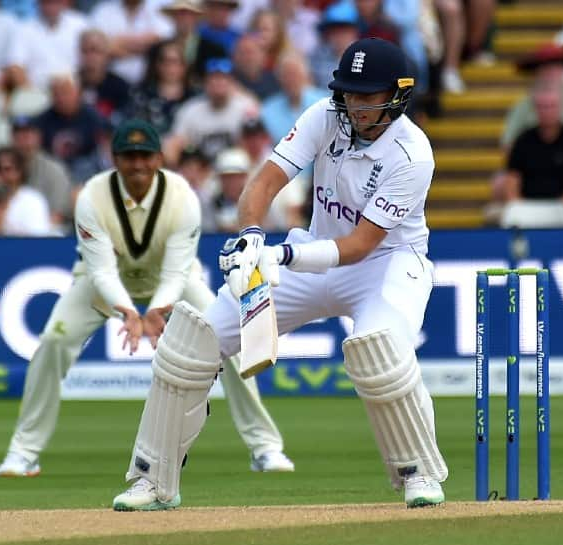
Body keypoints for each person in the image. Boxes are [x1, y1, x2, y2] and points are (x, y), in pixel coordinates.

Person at [112, 37, 447, 511]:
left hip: (388, 265)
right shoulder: (325, 116)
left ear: (397, 95)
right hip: (313, 254)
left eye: (366, 96)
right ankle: (151, 481)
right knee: (191, 343)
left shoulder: (413, 155)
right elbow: (265, 180)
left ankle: (419, 474)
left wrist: (282, 258)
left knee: (380, 355)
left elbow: (360, 245)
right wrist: (252, 237)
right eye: (349, 93)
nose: (354, 105)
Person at [0, 119, 293, 479]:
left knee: (226, 339)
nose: (137, 165)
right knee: (54, 341)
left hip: (173, 281)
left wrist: (154, 310)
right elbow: (102, 271)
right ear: (115, 159)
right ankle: (23, 452)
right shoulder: (92, 196)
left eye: (145, 156)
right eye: (129, 156)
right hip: (102, 283)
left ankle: (265, 448)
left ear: (159, 159)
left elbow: (176, 271)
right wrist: (128, 312)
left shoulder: (182, 196)